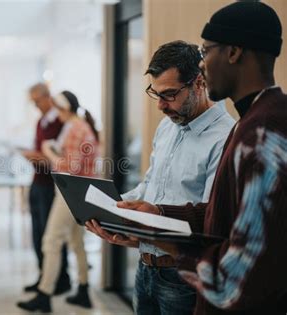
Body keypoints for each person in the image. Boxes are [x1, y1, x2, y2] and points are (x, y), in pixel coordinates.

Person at [87, 2, 287, 314]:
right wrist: (124, 211)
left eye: (207, 51)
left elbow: (238, 252)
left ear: (232, 54)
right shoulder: (242, 126)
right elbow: (185, 201)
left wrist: (158, 237)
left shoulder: (256, 133)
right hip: (151, 268)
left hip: (187, 281)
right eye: (156, 94)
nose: (204, 64)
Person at [120, 40, 235, 315]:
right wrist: (113, 210)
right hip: (145, 268)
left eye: (169, 94)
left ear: (199, 83)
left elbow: (211, 219)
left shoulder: (225, 136)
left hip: (182, 277)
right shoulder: (167, 126)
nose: (160, 105)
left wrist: (155, 216)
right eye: (155, 93)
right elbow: (150, 186)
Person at [17, 90, 99, 313]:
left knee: (51, 241)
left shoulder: (74, 128)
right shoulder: (81, 126)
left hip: (69, 191)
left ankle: (44, 294)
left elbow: (70, 167)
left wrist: (47, 152)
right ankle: (83, 290)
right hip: (82, 191)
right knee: (76, 242)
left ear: (63, 108)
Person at [19, 83, 71, 295]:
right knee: (38, 234)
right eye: (32, 102)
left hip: (54, 186)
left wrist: (40, 157)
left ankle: (61, 280)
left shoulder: (61, 122)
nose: (35, 105)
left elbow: (61, 158)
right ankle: (44, 276)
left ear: (47, 97)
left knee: (54, 236)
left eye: (37, 101)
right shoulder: (41, 122)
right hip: (38, 182)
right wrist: (32, 155)